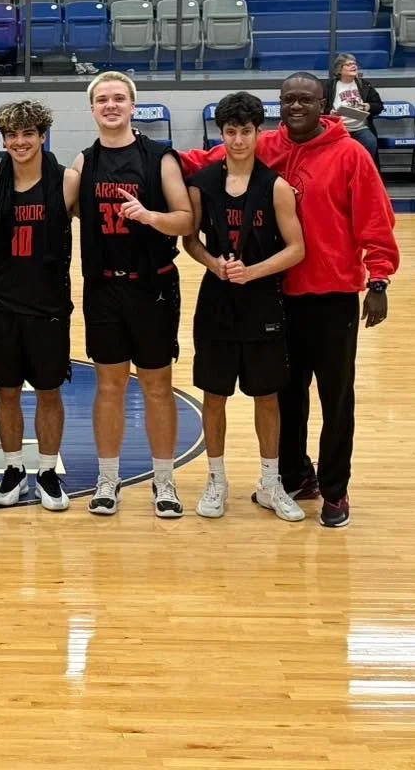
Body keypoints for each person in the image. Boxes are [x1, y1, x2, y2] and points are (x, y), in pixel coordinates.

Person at [177, 73, 400, 528]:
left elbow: (376, 219)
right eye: (288, 100)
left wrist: (378, 280)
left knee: (336, 398)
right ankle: (298, 476)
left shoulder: (350, 154)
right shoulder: (267, 145)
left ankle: (336, 491)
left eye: (306, 99)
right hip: (279, 296)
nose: (296, 106)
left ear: (324, 104)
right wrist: (146, 152)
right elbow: (204, 160)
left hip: (334, 294)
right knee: (286, 394)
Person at [72, 71, 194, 518]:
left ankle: (164, 482)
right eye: (102, 99)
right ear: (92, 109)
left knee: (157, 386)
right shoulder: (84, 163)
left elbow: (185, 220)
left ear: (132, 105)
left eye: (119, 98)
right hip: (103, 286)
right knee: (108, 386)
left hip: (152, 286)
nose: (111, 105)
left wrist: (148, 216)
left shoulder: (159, 158)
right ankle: (108, 479)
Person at [181, 93, 307, 522]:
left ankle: (270, 484)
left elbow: (296, 249)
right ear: (221, 133)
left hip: (262, 302)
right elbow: (190, 240)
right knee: (213, 396)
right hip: (217, 301)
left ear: (259, 133)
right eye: (230, 132)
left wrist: (252, 273)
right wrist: (214, 264)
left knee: (266, 396)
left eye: (246, 132)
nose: (237, 140)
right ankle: (216, 480)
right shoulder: (202, 183)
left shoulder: (275, 186)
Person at [0, 100, 75, 511]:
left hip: (49, 302)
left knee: (49, 391)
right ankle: (15, 467)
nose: (19, 142)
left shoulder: (66, 180)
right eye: (12, 135)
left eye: (28, 134)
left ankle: (49, 471)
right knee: (7, 390)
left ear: (41, 135)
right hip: (1, 300)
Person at [322, 54, 383, 165]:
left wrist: (367, 106)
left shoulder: (365, 85)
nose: (353, 66)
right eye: (349, 64)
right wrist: (330, 113)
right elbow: (320, 108)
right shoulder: (330, 86)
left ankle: (364, 174)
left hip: (361, 128)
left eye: (355, 64)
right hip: (339, 129)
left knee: (370, 141)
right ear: (339, 69)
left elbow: (379, 106)